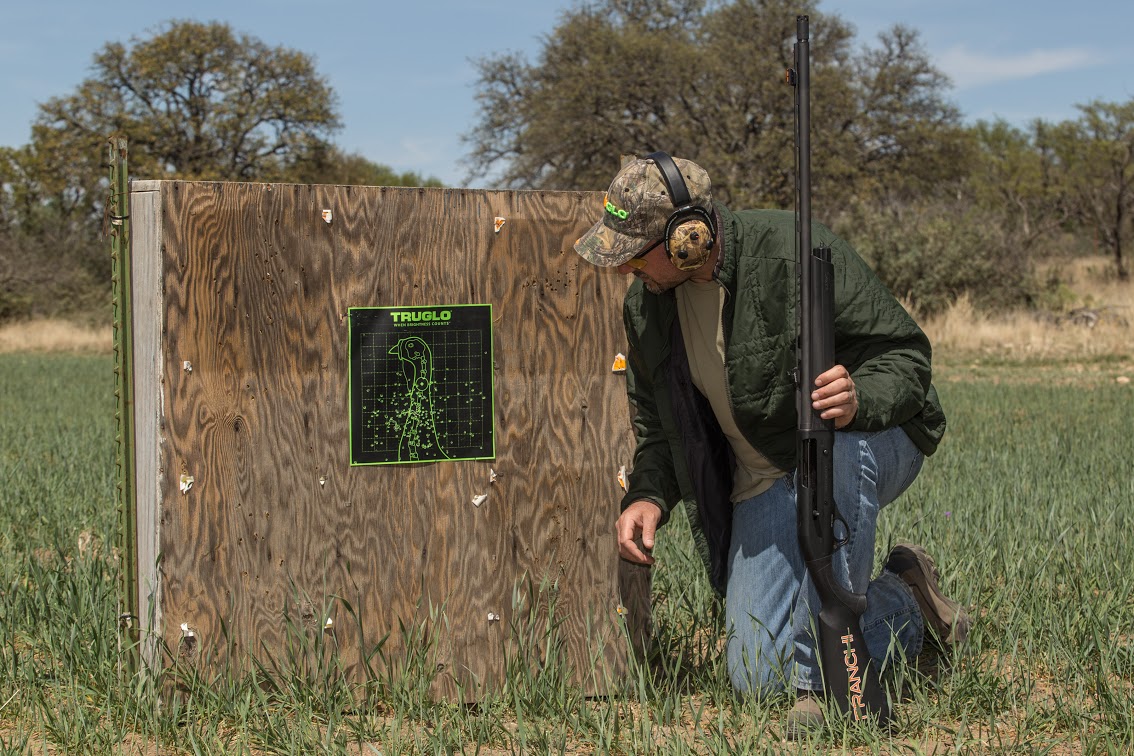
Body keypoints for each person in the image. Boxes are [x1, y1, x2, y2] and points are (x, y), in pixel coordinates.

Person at [573, 152, 969, 734]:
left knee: (834, 451)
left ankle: (823, 683)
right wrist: (649, 496)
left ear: (689, 236)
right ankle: (905, 597)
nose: (626, 269)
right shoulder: (647, 307)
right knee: (756, 676)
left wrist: (859, 396)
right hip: (766, 477)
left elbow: (905, 354)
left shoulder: (793, 249)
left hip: (871, 438)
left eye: (635, 253)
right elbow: (659, 427)